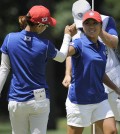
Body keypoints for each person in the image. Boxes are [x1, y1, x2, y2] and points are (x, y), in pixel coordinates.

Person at [0, 5, 76, 134]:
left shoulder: (9, 39)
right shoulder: (45, 45)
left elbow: (4, 69)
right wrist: (67, 36)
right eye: (46, 25)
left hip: (16, 100)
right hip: (39, 101)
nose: (46, 28)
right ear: (39, 25)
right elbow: (62, 57)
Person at [62, 0, 120, 133]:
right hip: (81, 92)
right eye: (86, 23)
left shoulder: (106, 24)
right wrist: (67, 73)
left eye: (94, 22)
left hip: (106, 84)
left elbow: (114, 44)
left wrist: (98, 31)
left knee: (110, 130)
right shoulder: (76, 34)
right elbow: (67, 54)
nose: (89, 26)